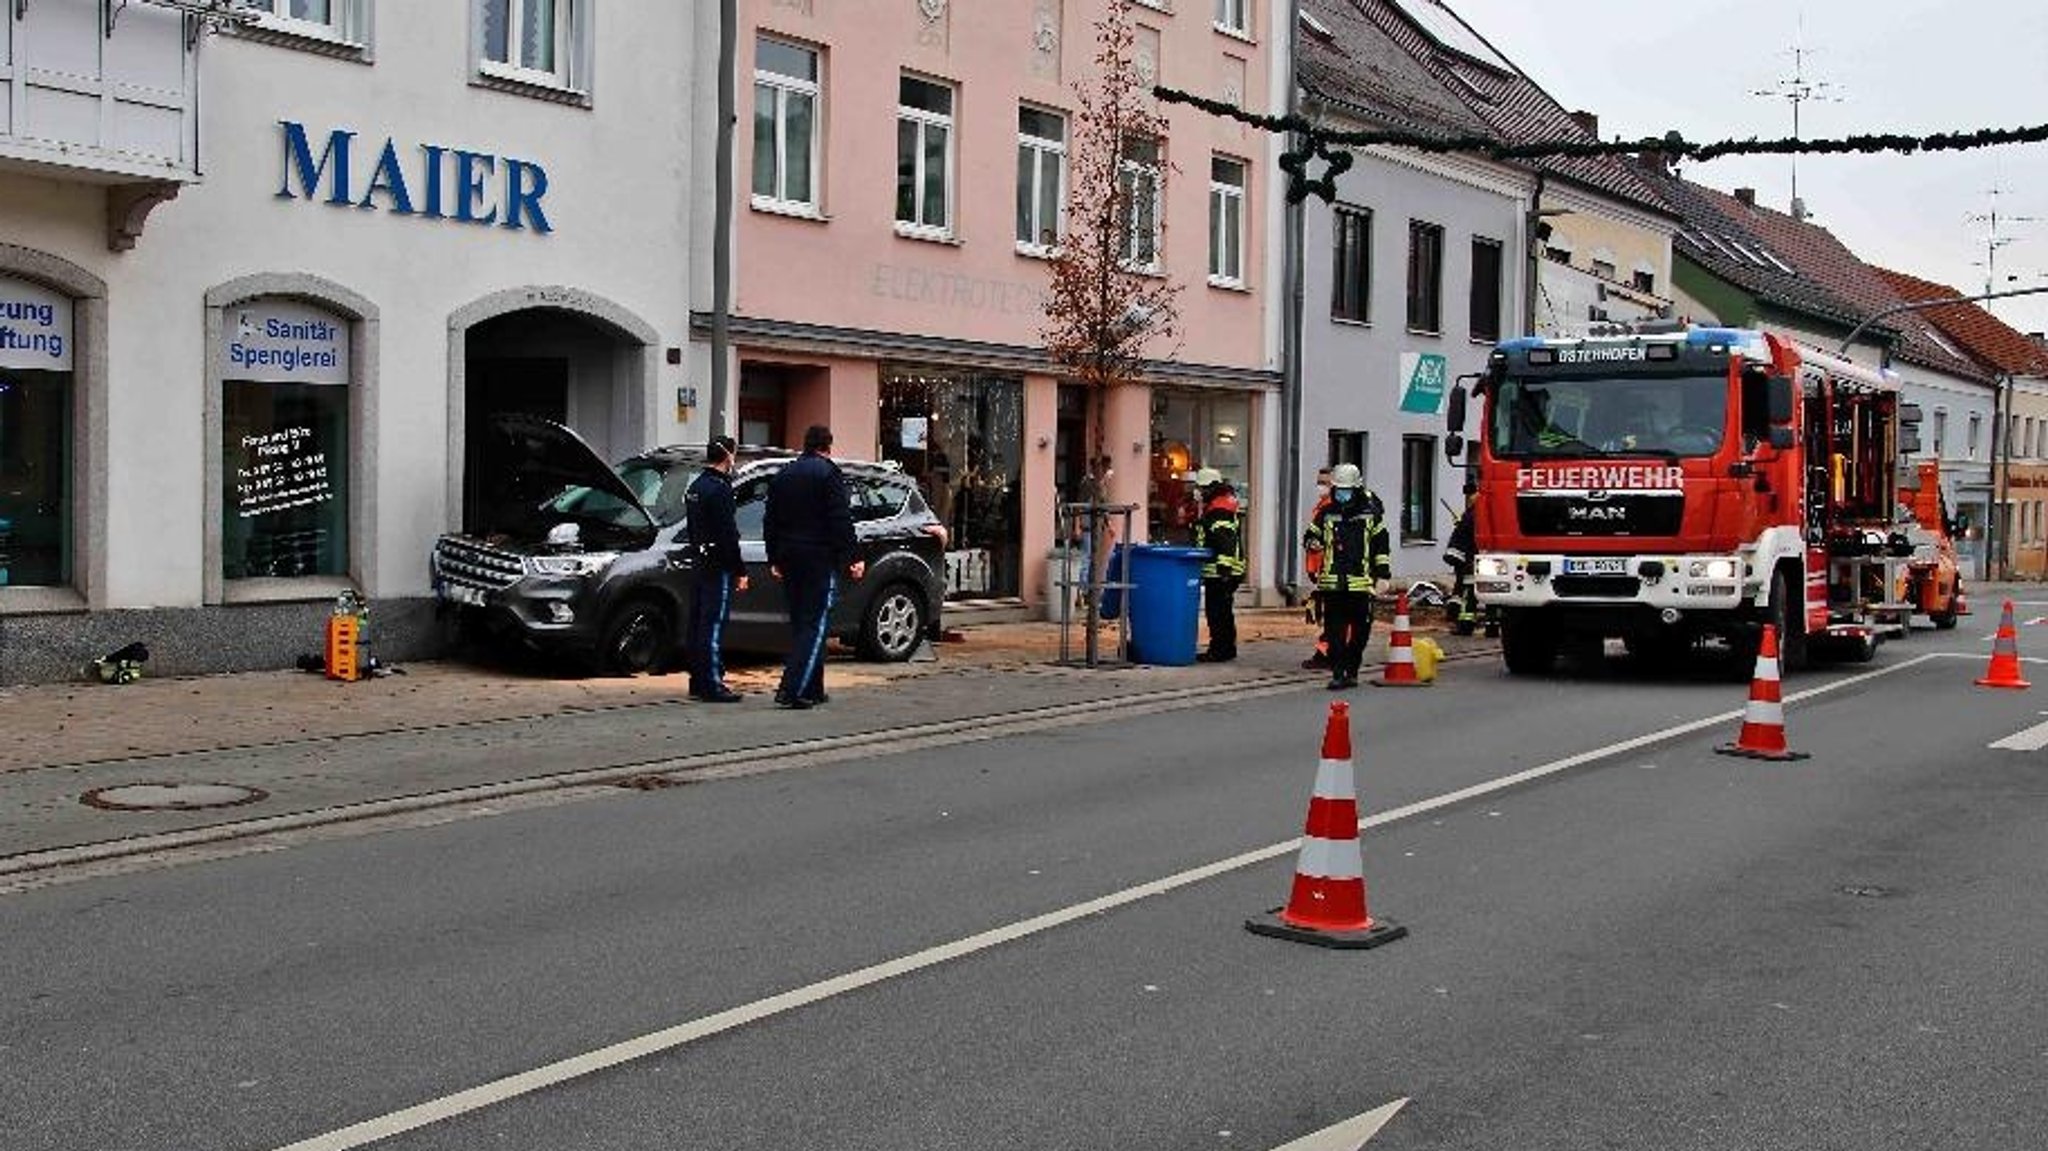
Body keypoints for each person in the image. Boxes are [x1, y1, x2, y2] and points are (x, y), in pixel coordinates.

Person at [764, 425, 864, 709]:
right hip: (818, 558)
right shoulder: (829, 474)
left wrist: (774, 558)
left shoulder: (784, 475)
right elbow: (839, 519)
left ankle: (813, 687)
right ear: (827, 446)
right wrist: (852, 556)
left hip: (789, 558)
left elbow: (770, 520)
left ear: (805, 445)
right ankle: (792, 689)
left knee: (801, 624)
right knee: (816, 625)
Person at [1302, 463, 1391, 690]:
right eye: (1338, 489)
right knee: (1335, 633)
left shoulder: (1370, 515)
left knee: (1360, 634)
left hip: (1361, 585)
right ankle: (1339, 673)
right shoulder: (1326, 512)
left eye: (1346, 490)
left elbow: (1381, 546)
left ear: (1356, 489)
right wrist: (1312, 542)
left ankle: (1352, 670)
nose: (1342, 494)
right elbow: (1311, 534)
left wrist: (1383, 575)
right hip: (1333, 584)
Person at [682, 435, 748, 703]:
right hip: (717, 564)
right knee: (713, 625)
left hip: (699, 561)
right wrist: (740, 570)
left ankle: (698, 680)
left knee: (698, 623)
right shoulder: (720, 489)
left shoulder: (696, 486)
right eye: (734, 455)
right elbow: (727, 534)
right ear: (727, 457)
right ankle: (712, 683)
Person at [1190, 467, 1246, 662]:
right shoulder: (1219, 506)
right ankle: (1226, 648)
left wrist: (1224, 570)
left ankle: (1220, 650)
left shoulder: (1218, 510)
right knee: (1223, 611)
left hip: (1222, 572)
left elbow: (1224, 541)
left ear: (1208, 488)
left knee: (1217, 613)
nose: (1196, 491)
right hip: (1225, 571)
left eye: (1199, 487)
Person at [1301, 466, 1334, 669]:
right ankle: (1327, 652)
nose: (1320, 486)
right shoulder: (1322, 507)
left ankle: (1327, 654)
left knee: (1331, 616)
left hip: (1330, 571)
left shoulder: (1331, 509)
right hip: (1322, 571)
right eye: (1319, 482)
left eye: (1325, 483)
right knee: (1326, 615)